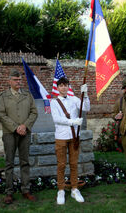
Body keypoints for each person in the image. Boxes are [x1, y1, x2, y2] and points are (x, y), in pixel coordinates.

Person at [0, 69, 38, 204]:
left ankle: (25, 190)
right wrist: (16, 127)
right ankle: (9, 192)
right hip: (9, 133)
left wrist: (24, 126)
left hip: (25, 133)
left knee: (24, 162)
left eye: (20, 79)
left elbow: (34, 112)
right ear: (9, 81)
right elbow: (1, 114)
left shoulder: (27, 95)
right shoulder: (3, 96)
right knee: (9, 163)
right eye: (15, 80)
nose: (18, 82)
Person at [50, 77, 90, 205]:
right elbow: (56, 119)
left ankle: (74, 189)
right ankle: (61, 189)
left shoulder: (74, 99)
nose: (63, 87)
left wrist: (86, 94)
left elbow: (86, 108)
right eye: (61, 85)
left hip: (74, 137)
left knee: (73, 164)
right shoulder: (54, 102)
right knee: (61, 164)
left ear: (68, 86)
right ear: (58, 87)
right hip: (61, 136)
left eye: (65, 85)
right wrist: (72, 121)